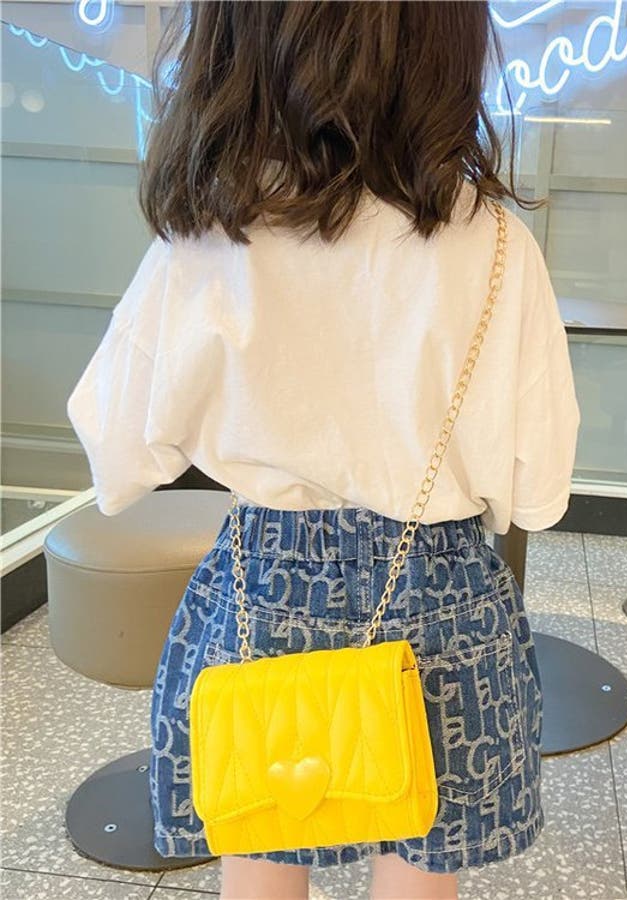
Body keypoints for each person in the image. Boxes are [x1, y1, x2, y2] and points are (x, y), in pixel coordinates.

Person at [66, 2, 580, 898]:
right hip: (440, 590)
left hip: (265, 586)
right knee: (422, 846)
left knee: (264, 824)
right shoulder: (498, 244)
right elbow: (538, 488)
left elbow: (113, 444)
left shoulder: (209, 238)